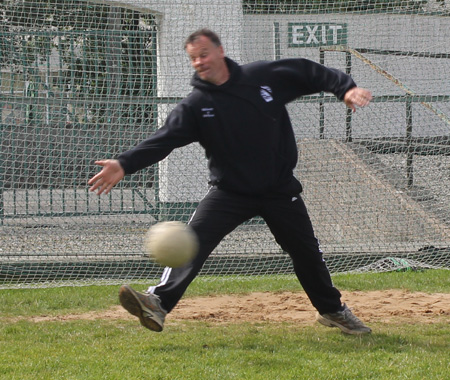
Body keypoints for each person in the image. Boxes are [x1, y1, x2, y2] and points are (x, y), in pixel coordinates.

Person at [88, 28, 373, 335]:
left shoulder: (263, 77)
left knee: (307, 253)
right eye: (193, 58)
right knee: (193, 242)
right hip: (230, 192)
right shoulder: (196, 106)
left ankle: (333, 311)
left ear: (220, 51)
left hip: (279, 189)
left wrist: (344, 88)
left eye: (204, 54)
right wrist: (124, 163)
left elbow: (308, 71)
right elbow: (164, 140)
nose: (199, 62)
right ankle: (157, 304)